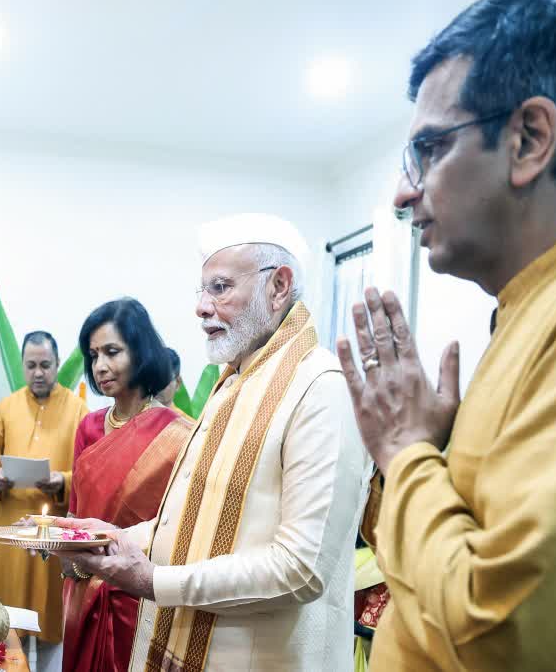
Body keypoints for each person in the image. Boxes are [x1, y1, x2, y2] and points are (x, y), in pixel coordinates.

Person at [337, 0, 556, 670]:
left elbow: (504, 634)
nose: (404, 194)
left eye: (428, 150)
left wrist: (405, 454)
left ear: (528, 140)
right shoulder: (535, 303)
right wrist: (423, 449)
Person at [55, 214, 369, 671]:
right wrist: (101, 541)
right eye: (202, 291)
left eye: (220, 288)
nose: (201, 307)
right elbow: (185, 523)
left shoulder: (320, 387)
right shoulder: (234, 384)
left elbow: (300, 569)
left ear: (279, 286)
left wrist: (154, 581)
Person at [62, 299, 194, 672]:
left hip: (138, 596)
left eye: (112, 352)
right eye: (93, 355)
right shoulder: (89, 427)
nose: (99, 366)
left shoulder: (177, 433)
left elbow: (179, 530)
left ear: (140, 352)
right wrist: (50, 540)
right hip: (80, 589)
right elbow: (75, 514)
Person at [0, 331, 88, 653]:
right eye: (31, 365)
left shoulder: (78, 410)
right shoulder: (5, 409)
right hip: (12, 531)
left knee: (54, 621)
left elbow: (89, 468)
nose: (38, 373)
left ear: (56, 364)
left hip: (54, 534)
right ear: (23, 366)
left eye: (45, 365)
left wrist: (63, 481)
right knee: (10, 629)